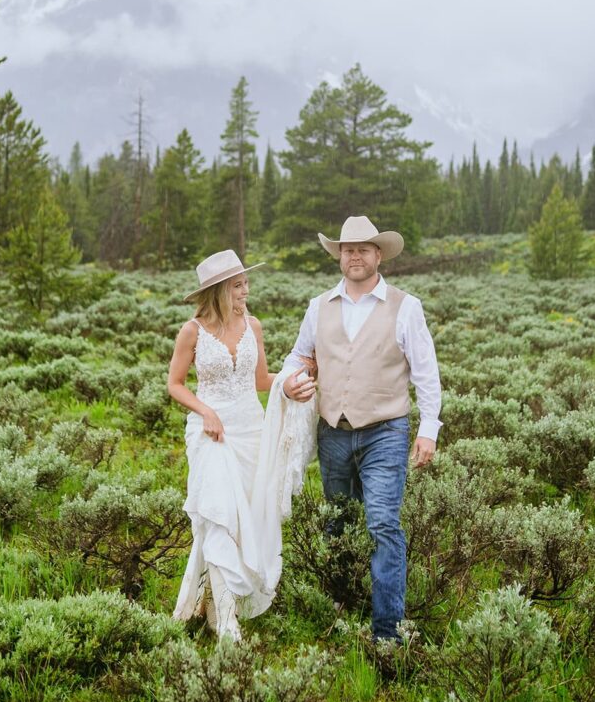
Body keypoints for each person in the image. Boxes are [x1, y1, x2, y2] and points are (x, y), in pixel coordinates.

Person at [282, 215, 442, 643]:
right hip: (333, 430)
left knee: (383, 524)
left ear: (378, 255)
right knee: (337, 522)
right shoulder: (318, 307)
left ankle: (387, 631)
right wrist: (289, 382)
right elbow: (300, 356)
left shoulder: (406, 307)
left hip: (385, 432)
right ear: (339, 256)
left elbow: (426, 373)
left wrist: (429, 428)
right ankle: (338, 606)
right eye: (347, 249)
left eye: (363, 249)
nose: (354, 255)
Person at [168, 249, 316, 641]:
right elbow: (175, 384)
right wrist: (205, 412)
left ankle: (217, 608)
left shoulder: (254, 325)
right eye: (238, 285)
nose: (246, 290)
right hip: (211, 432)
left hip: (251, 430)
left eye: (246, 283)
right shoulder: (193, 331)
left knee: (245, 518)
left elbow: (261, 379)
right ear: (218, 290)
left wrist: (291, 381)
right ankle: (228, 625)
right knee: (219, 515)